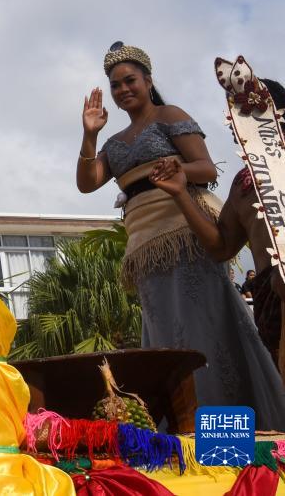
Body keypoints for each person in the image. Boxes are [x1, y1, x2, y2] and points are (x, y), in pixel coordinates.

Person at [76, 43, 285, 428]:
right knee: (165, 338)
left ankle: (230, 426)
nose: (123, 89)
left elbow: (206, 168)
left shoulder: (169, 116)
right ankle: (183, 429)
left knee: (206, 332)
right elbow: (87, 183)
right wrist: (90, 135)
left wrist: (176, 173)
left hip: (187, 234)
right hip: (145, 247)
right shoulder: (113, 142)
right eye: (116, 85)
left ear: (148, 80)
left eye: (130, 80)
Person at [150, 79, 285, 378]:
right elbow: (221, 246)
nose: (237, 124)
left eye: (248, 113)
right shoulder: (244, 182)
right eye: (234, 115)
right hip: (272, 302)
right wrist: (180, 193)